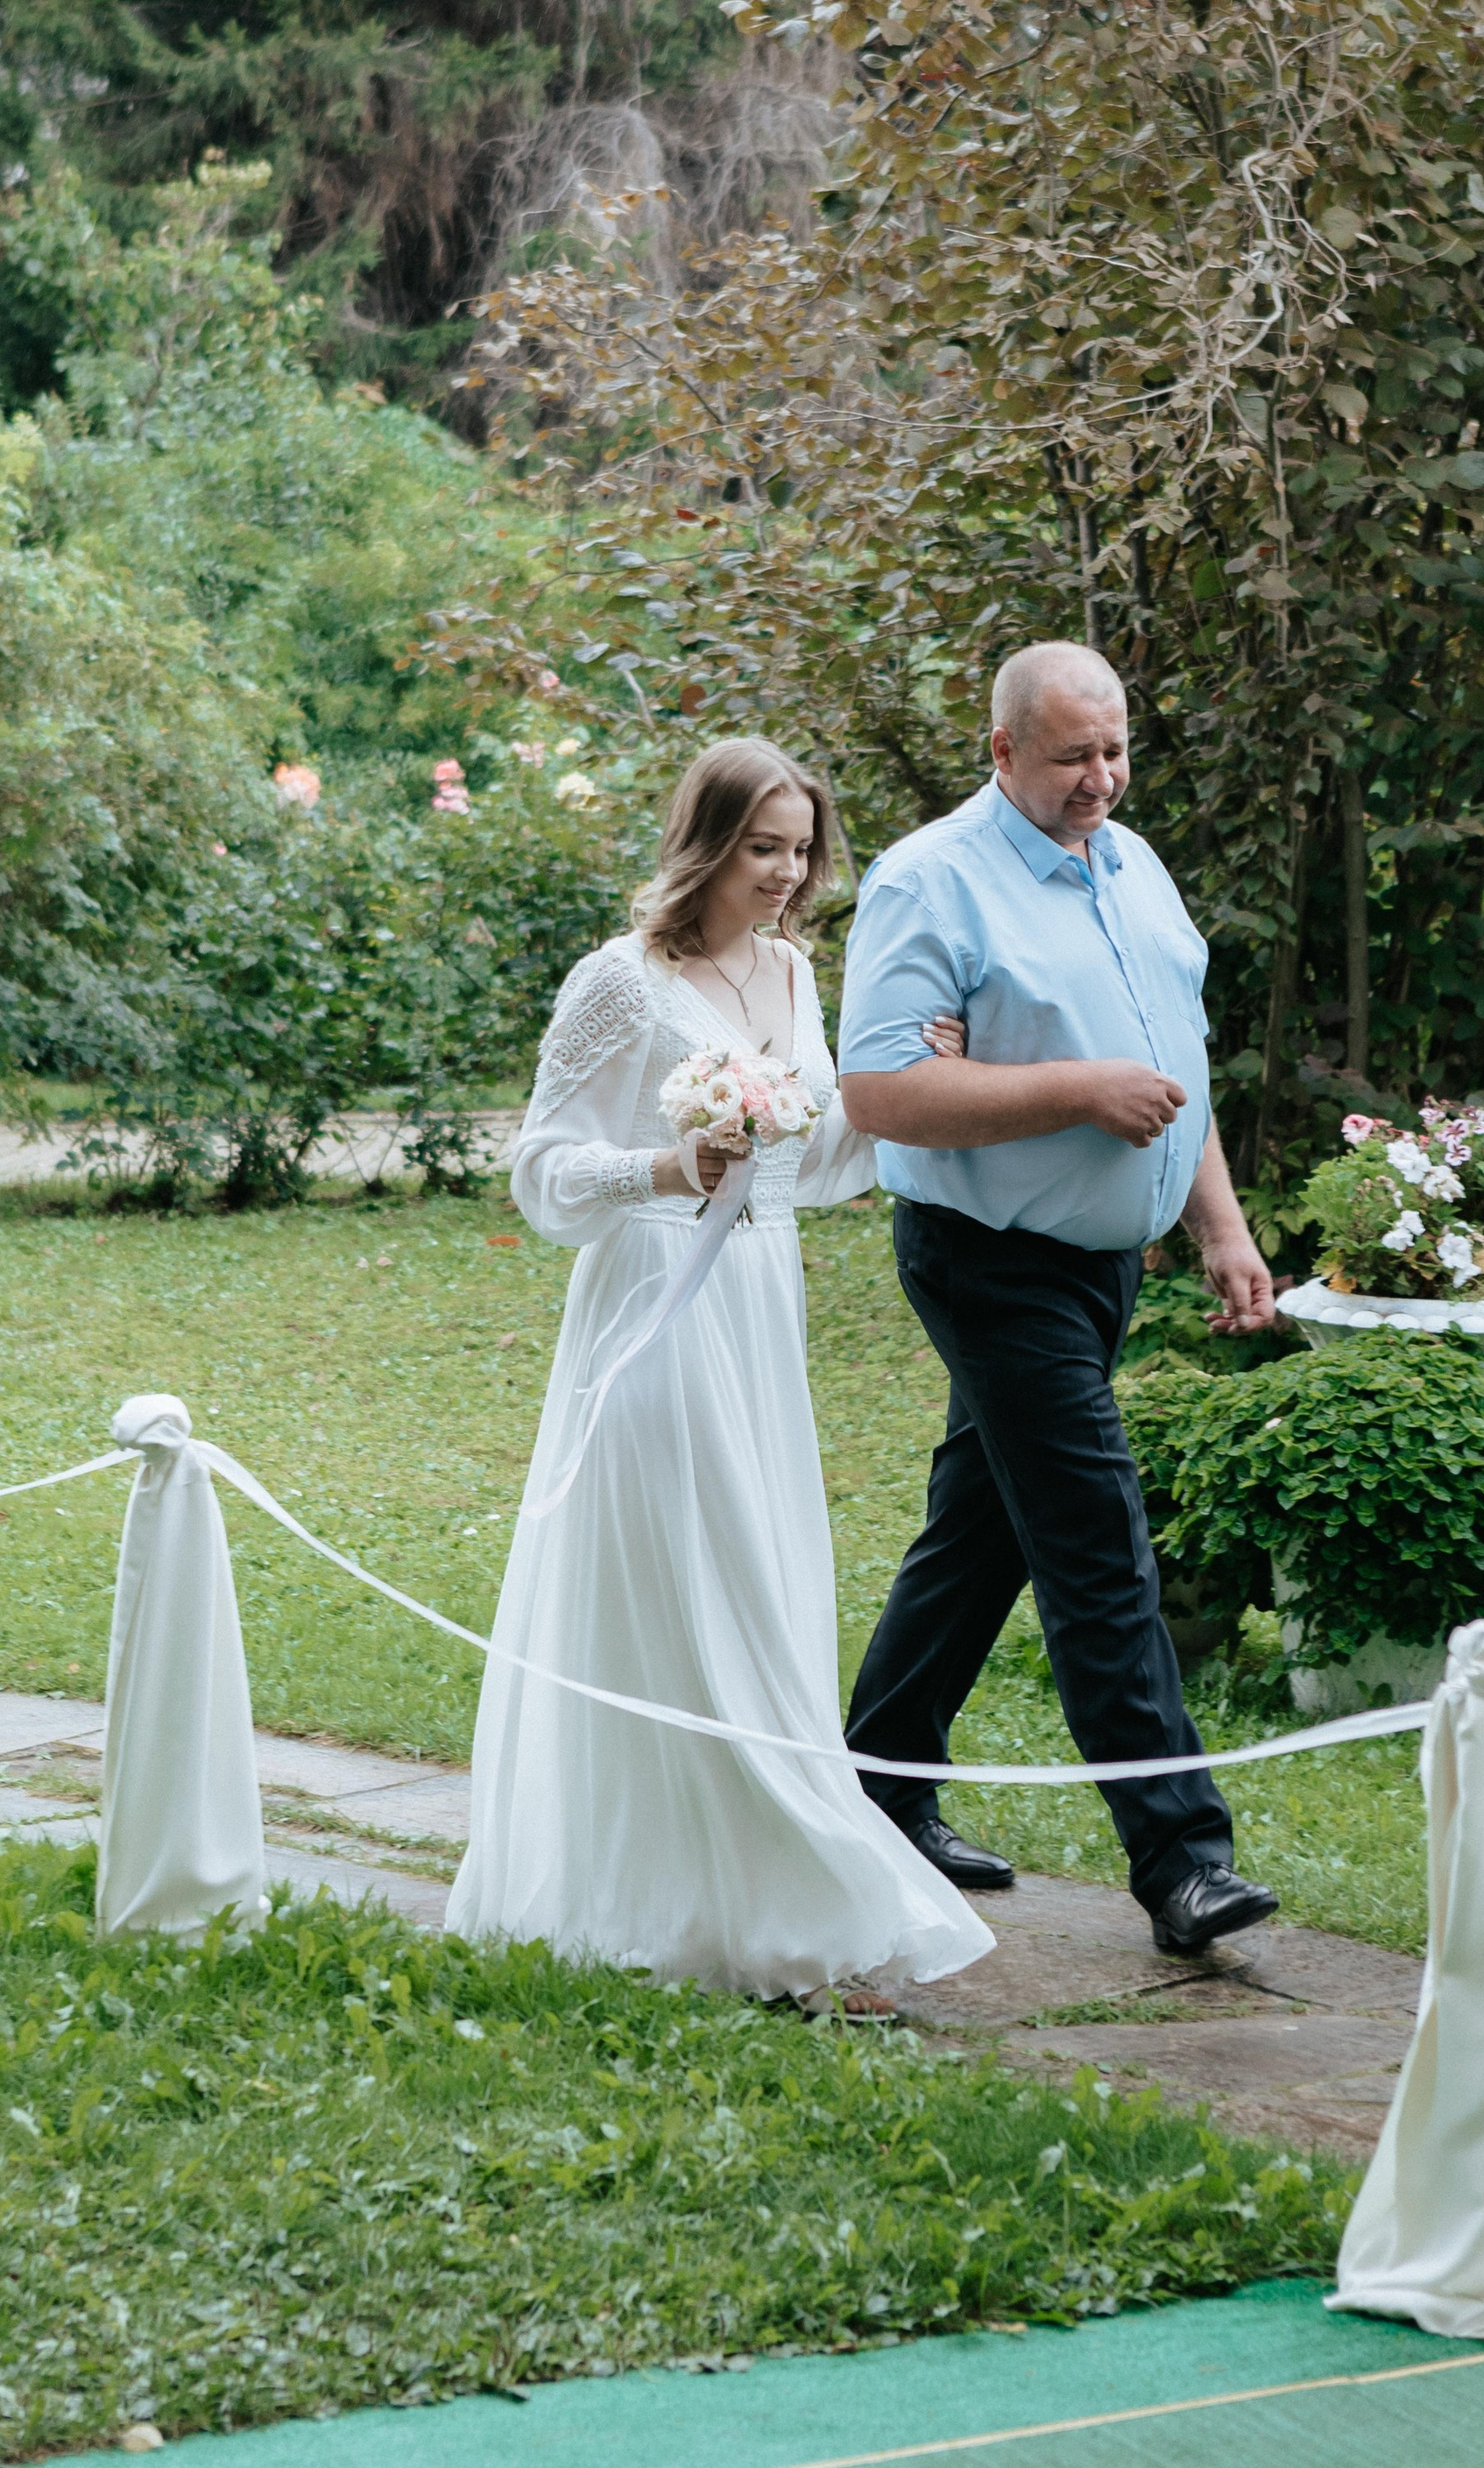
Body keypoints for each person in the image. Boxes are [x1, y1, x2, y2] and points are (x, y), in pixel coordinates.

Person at [445, 737, 994, 2005]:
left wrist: (911, 1085)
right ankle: (770, 1895)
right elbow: (540, 1169)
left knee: (763, 1576)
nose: (788, 875)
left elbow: (818, 1156)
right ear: (704, 843)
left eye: (802, 850)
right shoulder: (620, 983)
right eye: (763, 848)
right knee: (690, 1581)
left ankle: (763, 1893)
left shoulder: (796, 973)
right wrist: (660, 1168)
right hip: (651, 1304)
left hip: (757, 1306)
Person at [835, 643, 1282, 1959]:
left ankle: (877, 1789)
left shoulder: (1132, 864)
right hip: (989, 1257)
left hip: (1104, 1267)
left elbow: (1178, 1069)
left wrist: (1220, 1224)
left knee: (983, 1533)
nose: (1104, 779)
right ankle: (1184, 1861)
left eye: (1117, 750)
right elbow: (881, 1092)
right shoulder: (928, 881)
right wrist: (1078, 1089)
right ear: (1003, 751)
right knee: (1094, 1535)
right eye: (1074, 757)